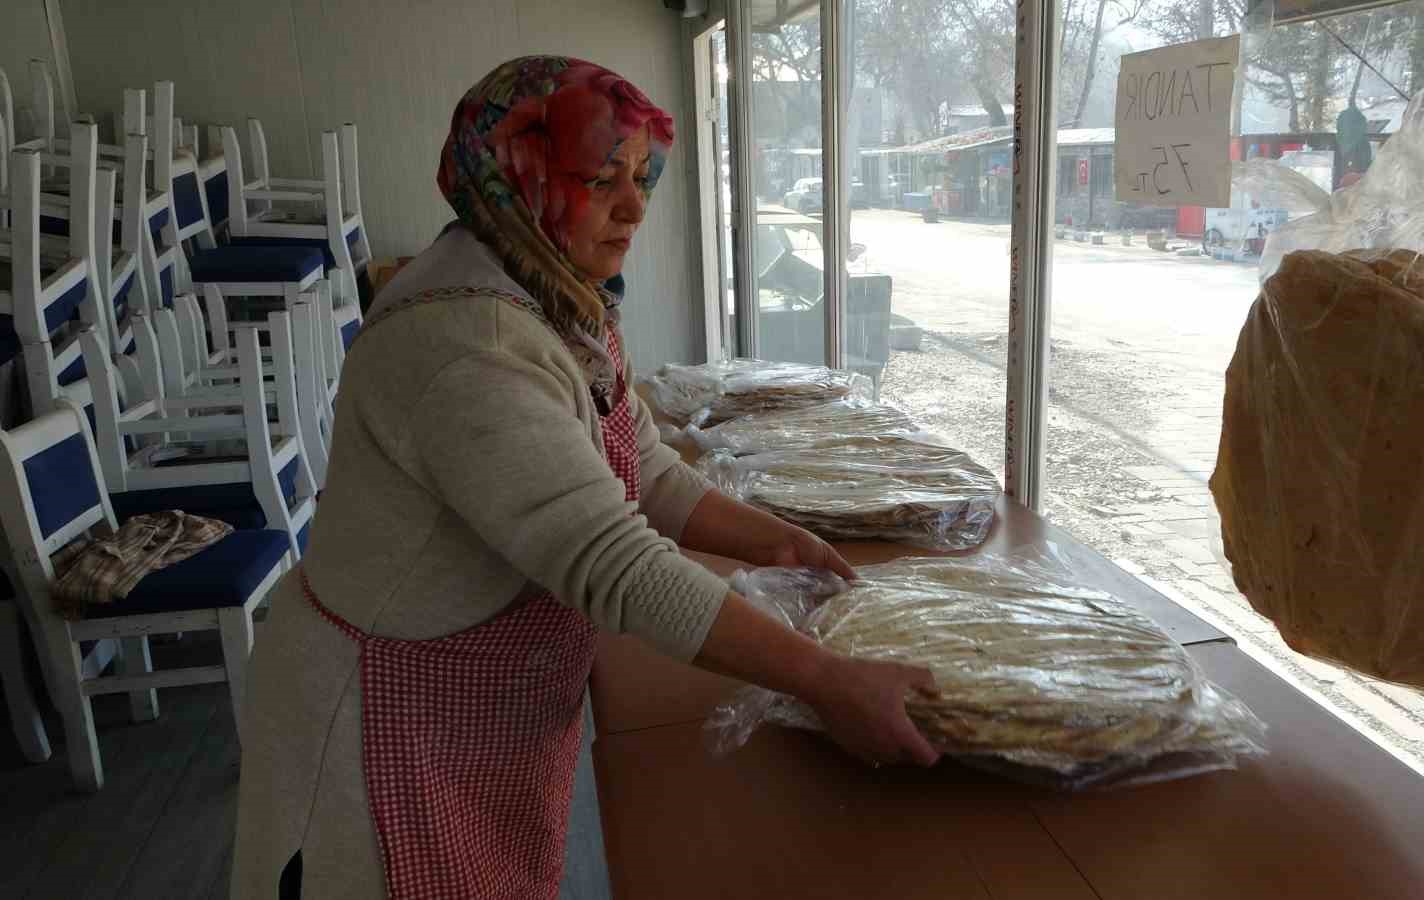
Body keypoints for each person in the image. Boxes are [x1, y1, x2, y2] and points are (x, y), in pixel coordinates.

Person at [231, 56, 939, 900]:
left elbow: (637, 465)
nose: (635, 207)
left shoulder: (553, 294)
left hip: (472, 704)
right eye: (601, 181)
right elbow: (614, 562)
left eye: (641, 177)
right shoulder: (471, 345)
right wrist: (826, 678)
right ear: (515, 181)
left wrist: (784, 541)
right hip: (382, 725)